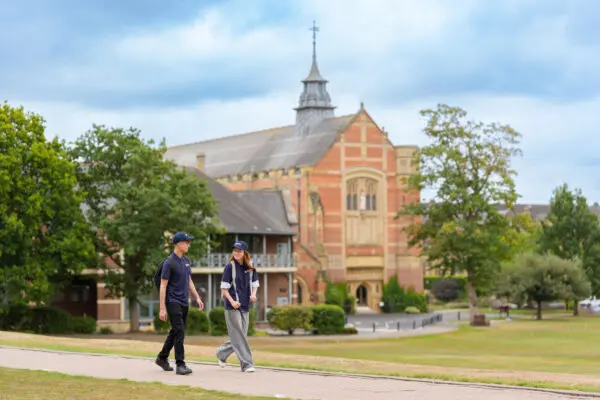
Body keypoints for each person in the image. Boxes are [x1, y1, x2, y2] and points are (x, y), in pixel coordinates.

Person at [155, 231, 204, 375]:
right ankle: (180, 364)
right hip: (172, 301)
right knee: (180, 331)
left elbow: (189, 281)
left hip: (184, 301)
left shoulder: (186, 261)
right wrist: (162, 308)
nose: (189, 244)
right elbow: (163, 286)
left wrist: (197, 297)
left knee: (175, 331)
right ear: (178, 244)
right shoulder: (169, 263)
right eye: (186, 241)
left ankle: (162, 358)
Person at [216, 240, 259, 373]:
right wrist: (232, 301)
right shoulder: (230, 267)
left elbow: (255, 284)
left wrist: (253, 295)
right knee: (239, 335)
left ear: (244, 252)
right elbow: (224, 288)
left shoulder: (251, 268)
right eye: (235, 250)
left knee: (241, 336)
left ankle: (221, 353)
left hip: (245, 306)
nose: (236, 253)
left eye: (239, 251)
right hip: (232, 306)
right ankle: (247, 364)